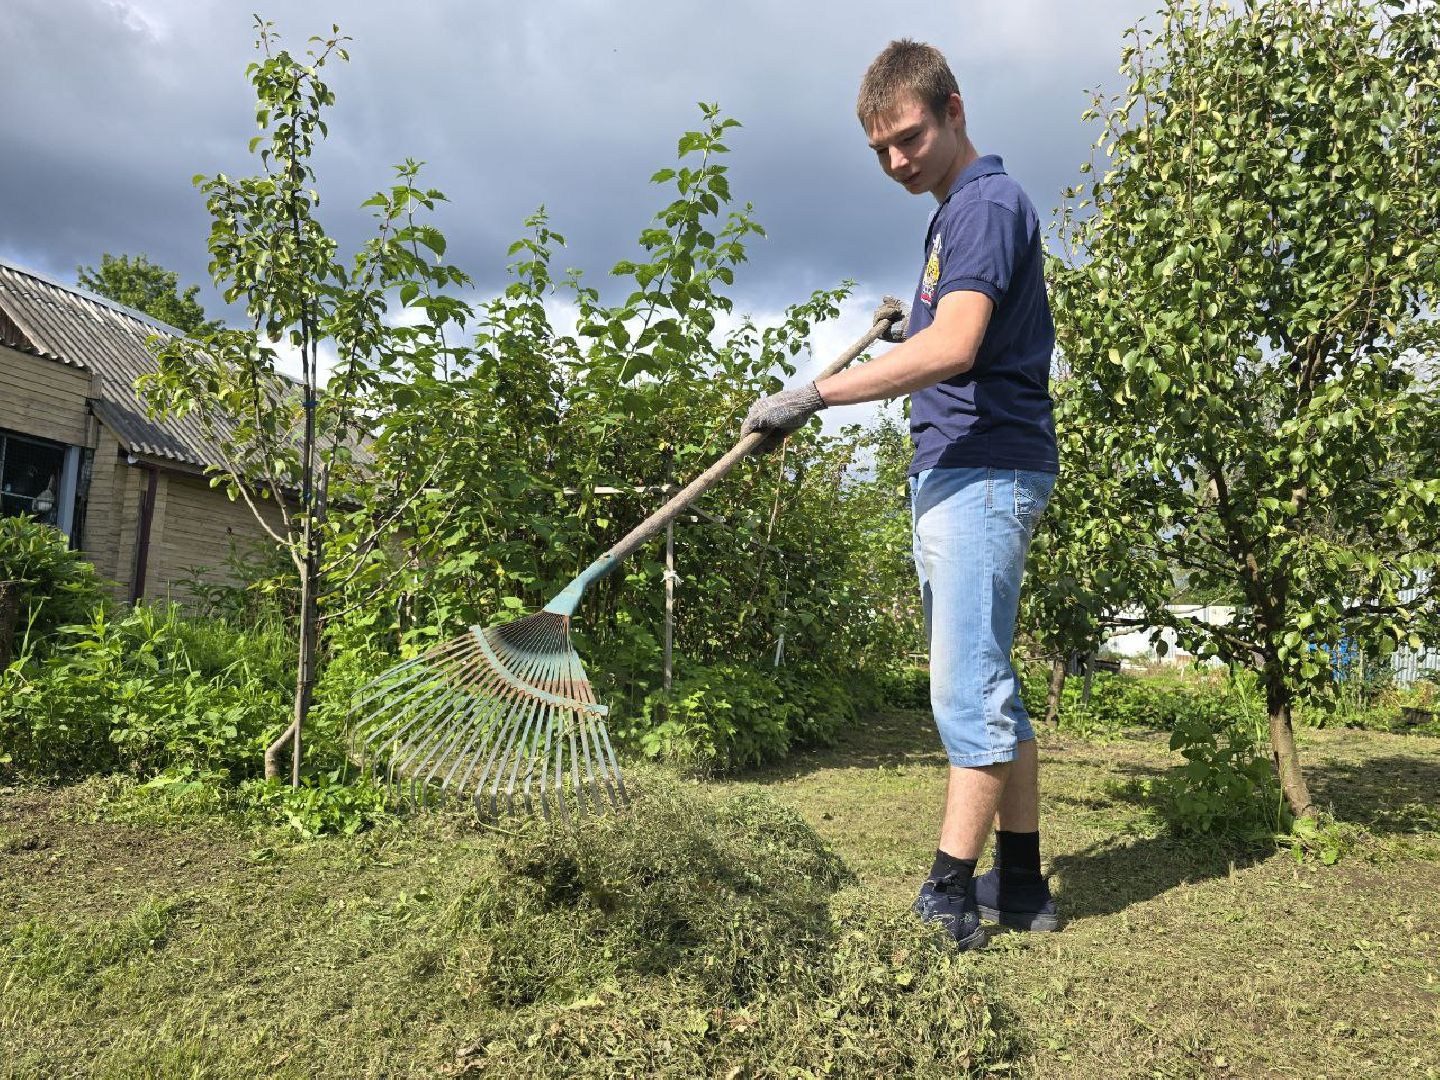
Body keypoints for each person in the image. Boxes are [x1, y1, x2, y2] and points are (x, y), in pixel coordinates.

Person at [742, 39, 1059, 951]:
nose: (895, 162)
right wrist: (905, 322)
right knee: (992, 682)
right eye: (879, 149)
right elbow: (949, 327)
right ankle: (1021, 886)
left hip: (981, 469)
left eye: (910, 137)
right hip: (966, 468)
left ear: (954, 110)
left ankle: (948, 896)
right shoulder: (957, 212)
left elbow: (955, 348)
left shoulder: (985, 204)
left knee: (966, 690)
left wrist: (815, 394)